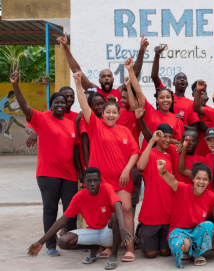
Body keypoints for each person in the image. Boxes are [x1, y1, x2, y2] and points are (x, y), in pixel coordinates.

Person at [11, 71, 82, 256]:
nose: (60, 104)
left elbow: (75, 150)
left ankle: (71, 241)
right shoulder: (42, 118)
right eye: (56, 102)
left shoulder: (70, 124)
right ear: (51, 105)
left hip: (69, 174)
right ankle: (50, 246)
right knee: (50, 209)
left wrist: (80, 171)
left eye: (63, 102)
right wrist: (15, 85)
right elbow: (24, 106)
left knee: (71, 210)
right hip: (48, 173)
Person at [73, 71, 140, 262]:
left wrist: (127, 169)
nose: (111, 115)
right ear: (103, 113)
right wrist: (78, 84)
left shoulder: (125, 130)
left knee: (126, 209)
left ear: (119, 114)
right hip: (102, 182)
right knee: (107, 215)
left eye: (114, 112)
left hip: (121, 180)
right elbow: (84, 105)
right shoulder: (95, 125)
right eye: (108, 112)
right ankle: (109, 246)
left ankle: (129, 248)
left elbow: (134, 152)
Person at [27, 167, 133, 270]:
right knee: (63, 241)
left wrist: (122, 228)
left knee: (115, 215)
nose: (92, 184)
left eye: (95, 180)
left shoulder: (106, 188)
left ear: (100, 181)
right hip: (93, 232)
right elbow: (62, 220)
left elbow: (118, 204)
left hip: (108, 233)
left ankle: (113, 255)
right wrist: (41, 242)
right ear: (84, 182)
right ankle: (94, 248)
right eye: (89, 181)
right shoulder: (79, 197)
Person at [157, 160, 214, 268]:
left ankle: (197, 254)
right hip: (178, 230)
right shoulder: (183, 189)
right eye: (198, 178)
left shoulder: (212, 198)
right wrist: (163, 171)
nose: (201, 182)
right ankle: (185, 251)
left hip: (196, 232)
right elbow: (172, 181)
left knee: (209, 225)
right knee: (183, 246)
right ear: (193, 179)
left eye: (205, 179)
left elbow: (211, 216)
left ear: (209, 182)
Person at [136, 127, 176, 259]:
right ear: (158, 136)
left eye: (170, 137)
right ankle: (141, 230)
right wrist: (152, 140)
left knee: (165, 252)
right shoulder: (150, 153)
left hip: (167, 212)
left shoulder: (169, 156)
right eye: (164, 136)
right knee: (151, 254)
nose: (168, 140)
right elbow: (140, 166)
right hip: (151, 213)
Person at [124, 58, 184, 145]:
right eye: (162, 97)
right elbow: (138, 91)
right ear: (157, 100)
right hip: (148, 155)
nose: (165, 100)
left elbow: (179, 143)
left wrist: (164, 139)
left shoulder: (177, 120)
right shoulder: (150, 112)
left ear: (172, 99)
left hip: (167, 157)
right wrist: (130, 70)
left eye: (168, 97)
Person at [57, 32, 122, 105]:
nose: (106, 78)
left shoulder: (120, 92)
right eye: (103, 76)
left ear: (113, 80)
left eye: (109, 76)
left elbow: (134, 74)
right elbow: (77, 71)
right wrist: (65, 48)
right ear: (99, 81)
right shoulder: (95, 91)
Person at [118, 79, 143, 216]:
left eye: (124, 97)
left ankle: (130, 233)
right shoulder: (117, 113)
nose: (121, 100)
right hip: (117, 162)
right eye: (120, 97)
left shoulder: (137, 115)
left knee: (131, 202)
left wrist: (128, 85)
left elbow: (135, 105)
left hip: (132, 164)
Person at [191, 80, 212, 157]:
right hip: (192, 153)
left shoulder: (211, 111)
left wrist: (199, 105)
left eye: (202, 92)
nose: (199, 94)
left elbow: (202, 127)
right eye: (197, 91)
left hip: (207, 153)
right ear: (193, 94)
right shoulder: (188, 108)